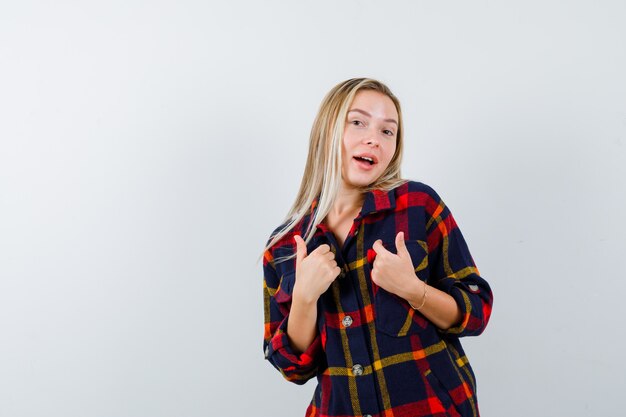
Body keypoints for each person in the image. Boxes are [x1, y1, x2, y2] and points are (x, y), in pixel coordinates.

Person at [261, 78, 493, 417]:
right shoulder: (284, 246)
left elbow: (476, 311)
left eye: (388, 131)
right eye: (357, 122)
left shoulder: (418, 205)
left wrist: (414, 290)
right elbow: (292, 367)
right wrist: (304, 298)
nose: (374, 138)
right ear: (327, 131)